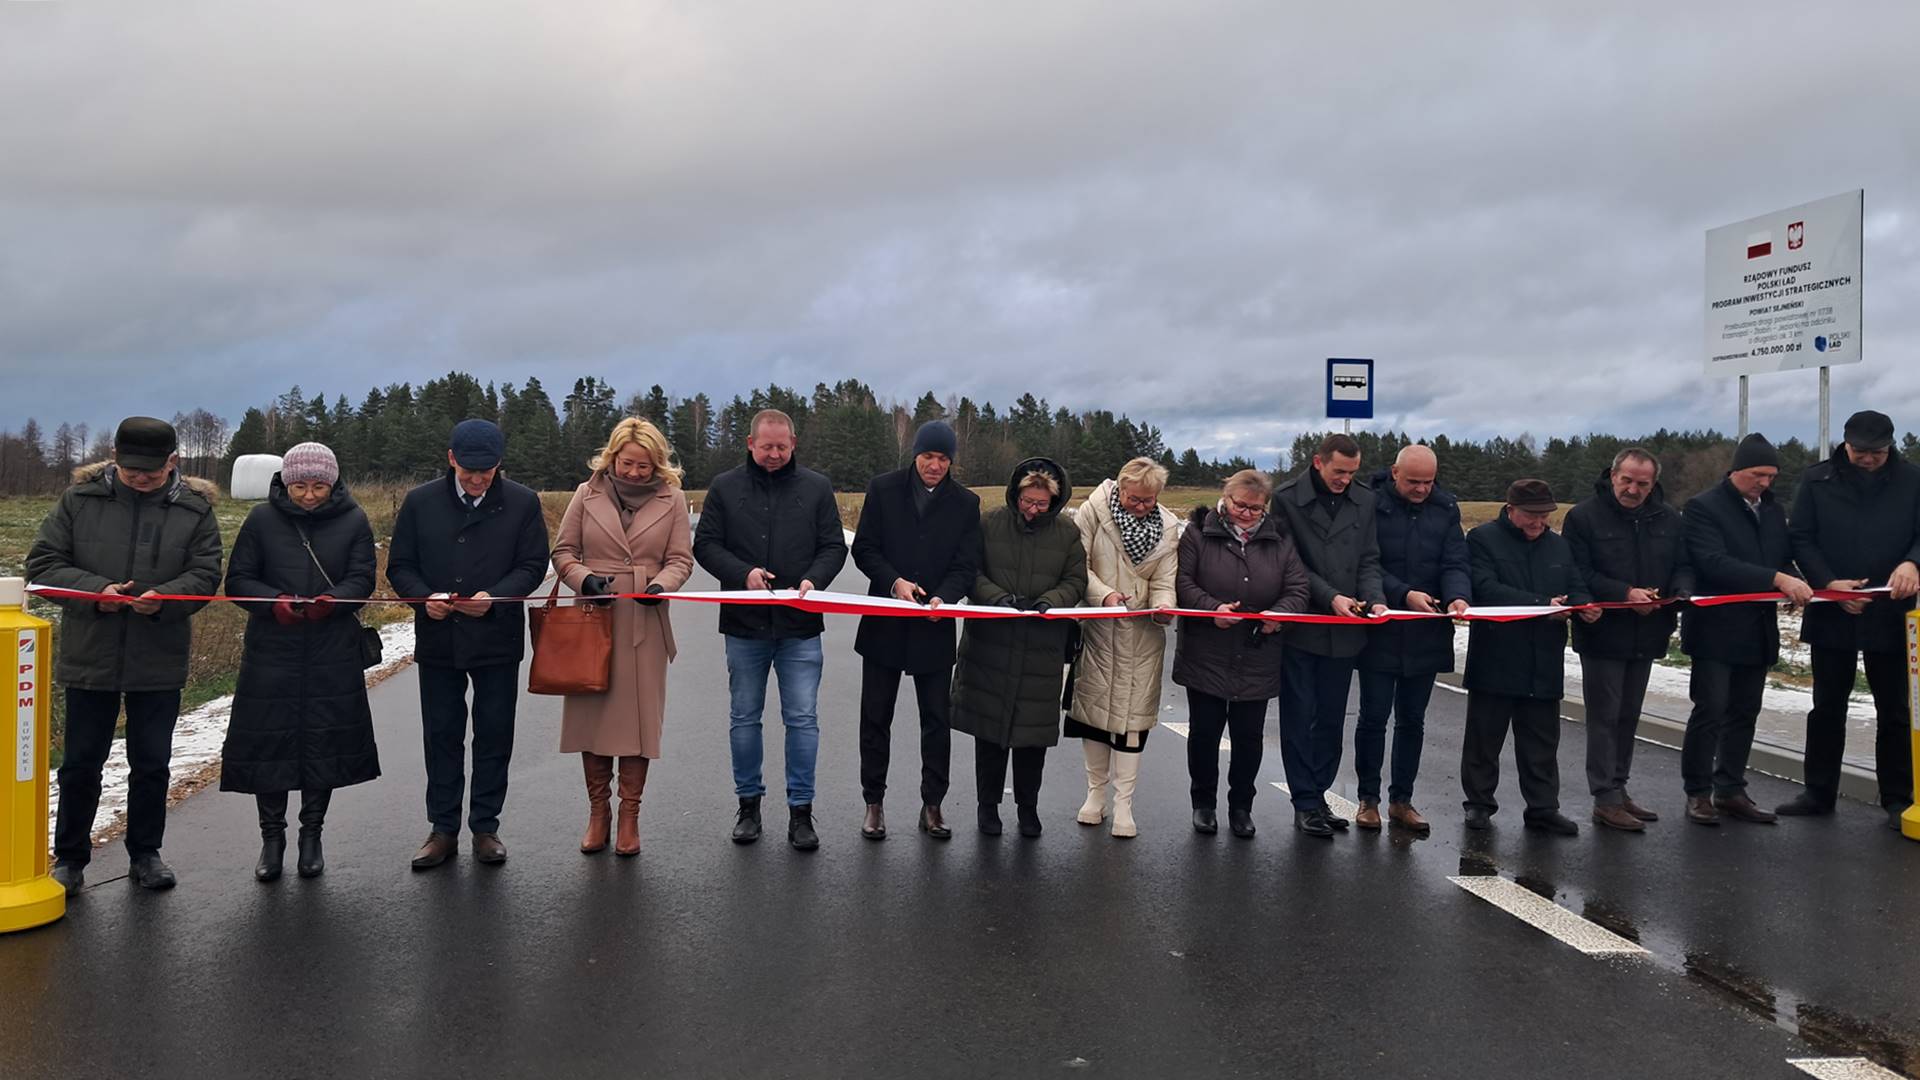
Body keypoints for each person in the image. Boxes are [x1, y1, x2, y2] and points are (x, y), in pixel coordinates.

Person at [27, 416, 223, 892]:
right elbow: (43, 565)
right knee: (80, 765)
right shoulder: (78, 501)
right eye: (131, 468)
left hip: (158, 656)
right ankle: (70, 860)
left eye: (151, 471)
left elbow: (205, 574)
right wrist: (99, 592)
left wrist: (163, 597)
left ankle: (146, 855)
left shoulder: (194, 510)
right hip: (90, 653)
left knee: (151, 763)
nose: (140, 477)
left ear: (172, 462)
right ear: (114, 457)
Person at [387, 418, 551, 870]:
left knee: (494, 734)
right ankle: (442, 829)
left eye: (487, 471)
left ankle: (485, 826)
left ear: (499, 463)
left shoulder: (522, 503)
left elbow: (534, 563)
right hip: (440, 637)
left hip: (496, 637)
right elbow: (400, 565)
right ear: (451, 459)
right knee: (442, 734)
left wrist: (496, 597)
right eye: (469, 471)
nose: (478, 480)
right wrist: (424, 599)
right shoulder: (421, 503)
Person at [218, 442, 380, 881]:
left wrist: (335, 601)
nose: (309, 496)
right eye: (301, 486)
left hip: (332, 649)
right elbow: (239, 579)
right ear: (286, 483)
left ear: (333, 483)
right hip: (273, 649)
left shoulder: (354, 519)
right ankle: (272, 838)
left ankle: (312, 835)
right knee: (270, 743)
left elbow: (363, 577)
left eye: (319, 486)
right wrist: (275, 603)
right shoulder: (261, 520)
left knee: (323, 743)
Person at [693, 409, 847, 850]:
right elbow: (705, 545)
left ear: (793, 444)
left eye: (782, 447)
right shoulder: (725, 488)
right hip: (744, 626)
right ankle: (748, 807)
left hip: (801, 626)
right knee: (744, 718)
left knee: (802, 719)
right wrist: (743, 574)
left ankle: (801, 811)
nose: (775, 454)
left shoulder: (816, 488)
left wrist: (814, 581)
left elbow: (834, 546)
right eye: (767, 447)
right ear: (750, 444)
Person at [549, 418, 694, 857]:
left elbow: (681, 560)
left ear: (658, 465)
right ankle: (599, 813)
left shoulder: (673, 500)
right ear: (612, 457)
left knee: (637, 725)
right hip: (593, 620)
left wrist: (661, 587)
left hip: (644, 626)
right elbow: (563, 552)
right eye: (628, 463)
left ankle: (630, 814)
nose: (635, 473)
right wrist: (583, 579)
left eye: (645, 467)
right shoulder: (584, 494)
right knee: (592, 721)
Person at [1782, 410, 1920, 828]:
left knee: (1895, 709)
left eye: (1876, 452)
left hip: (1893, 608)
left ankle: (1899, 798)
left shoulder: (1912, 479)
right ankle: (1818, 792)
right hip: (1834, 607)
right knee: (1827, 705)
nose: (1867, 459)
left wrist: (1914, 564)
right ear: (1845, 444)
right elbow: (1800, 537)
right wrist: (1827, 584)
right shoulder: (1818, 479)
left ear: (1890, 447)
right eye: (1860, 451)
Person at [850, 420, 981, 841]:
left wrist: (945, 596)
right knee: (875, 718)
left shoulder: (965, 503)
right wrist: (895, 583)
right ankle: (874, 802)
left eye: (944, 459)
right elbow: (865, 547)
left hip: (934, 625)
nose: (935, 466)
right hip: (885, 623)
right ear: (916, 455)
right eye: (929, 457)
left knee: (936, 721)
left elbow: (966, 563)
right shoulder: (884, 489)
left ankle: (933, 804)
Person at [950, 458, 1087, 838]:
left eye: (1041, 504)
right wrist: (1000, 599)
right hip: (991, 643)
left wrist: (1050, 600)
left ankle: (1028, 808)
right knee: (989, 735)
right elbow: (970, 571)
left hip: (1040, 647)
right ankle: (987, 806)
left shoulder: (1067, 533)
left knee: (1032, 739)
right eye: (1027, 501)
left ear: (1054, 502)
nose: (1032, 509)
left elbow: (1076, 579)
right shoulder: (989, 523)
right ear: (1016, 494)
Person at [1679, 433, 1810, 825]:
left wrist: (1791, 579)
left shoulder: (1771, 511)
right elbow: (1712, 562)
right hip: (1715, 631)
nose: (1765, 483)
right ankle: (1698, 792)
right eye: (1758, 474)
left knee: (1745, 712)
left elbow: (1782, 558)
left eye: (1771, 476)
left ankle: (1731, 788)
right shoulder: (1703, 508)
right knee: (1710, 711)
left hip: (1758, 629)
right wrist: (1776, 579)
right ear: (1736, 470)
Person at [1173, 469, 1310, 838]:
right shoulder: (1198, 533)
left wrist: (1278, 615)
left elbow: (1298, 587)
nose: (1246, 513)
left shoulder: (1279, 539)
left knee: (1248, 737)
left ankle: (1241, 807)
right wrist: (1211, 608)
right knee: (1204, 733)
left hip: (1258, 653)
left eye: (1255, 508)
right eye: (1240, 505)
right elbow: (1183, 582)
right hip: (1207, 652)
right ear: (1225, 497)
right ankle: (1203, 804)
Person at [1563, 448, 1694, 832]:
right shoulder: (1584, 516)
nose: (1633, 489)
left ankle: (1619, 788)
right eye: (1627, 480)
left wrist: (1680, 592)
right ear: (1614, 474)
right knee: (1604, 716)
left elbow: (1683, 565)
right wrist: (1624, 593)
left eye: (1642, 483)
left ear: (1653, 484)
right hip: (1603, 630)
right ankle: (1604, 796)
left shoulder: (1669, 518)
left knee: (1628, 715)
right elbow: (1578, 571)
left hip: (1650, 629)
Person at [1269, 433, 1387, 837]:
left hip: (1346, 630)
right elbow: (1291, 563)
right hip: (1304, 625)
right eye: (1339, 471)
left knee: (1333, 719)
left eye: (1352, 473)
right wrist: (1331, 596)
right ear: (1318, 462)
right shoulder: (1286, 499)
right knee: (1300, 716)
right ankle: (1303, 801)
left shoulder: (1365, 500)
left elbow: (1370, 557)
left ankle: (1318, 795)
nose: (1345, 480)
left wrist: (1374, 599)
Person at [1460, 479, 1592, 836]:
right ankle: (1479, 804)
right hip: (1496, 656)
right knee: (1484, 738)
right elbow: (1484, 588)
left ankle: (1543, 808)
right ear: (1511, 508)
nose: (1538, 523)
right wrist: (1538, 607)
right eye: (1531, 516)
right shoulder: (1483, 540)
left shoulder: (1558, 546)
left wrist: (1584, 606)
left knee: (1542, 741)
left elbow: (1575, 583)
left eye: (1544, 516)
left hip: (1543, 659)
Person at [1354, 445, 1469, 835]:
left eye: (1428, 482)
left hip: (1427, 630)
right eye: (1413, 481)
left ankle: (1401, 800)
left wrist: (1457, 595)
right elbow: (1366, 564)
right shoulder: (1369, 504)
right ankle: (1367, 799)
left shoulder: (1446, 508)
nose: (1421, 489)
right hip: (1382, 629)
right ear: (1394, 473)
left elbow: (1455, 560)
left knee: (1413, 721)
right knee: (1373, 718)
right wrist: (1403, 595)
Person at [1065, 457, 1180, 838]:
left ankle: (1124, 804)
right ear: (1119, 488)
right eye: (1135, 498)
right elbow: (1076, 565)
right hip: (1099, 629)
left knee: (1133, 723)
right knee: (1094, 716)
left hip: (1143, 636)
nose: (1142, 506)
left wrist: (1164, 606)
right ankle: (1094, 796)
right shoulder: (1092, 513)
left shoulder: (1167, 528)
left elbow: (1166, 577)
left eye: (1149, 500)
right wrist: (1103, 595)